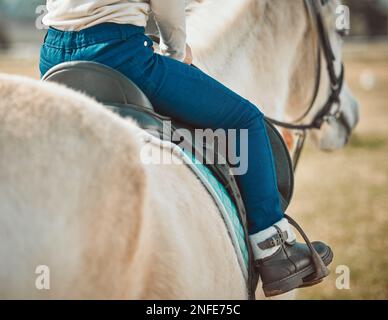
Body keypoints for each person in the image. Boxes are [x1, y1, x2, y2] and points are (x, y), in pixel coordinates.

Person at [39, 0, 332, 297]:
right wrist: (176, 52)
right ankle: (273, 250)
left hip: (53, 54)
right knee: (246, 120)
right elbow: (168, 8)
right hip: (120, 54)